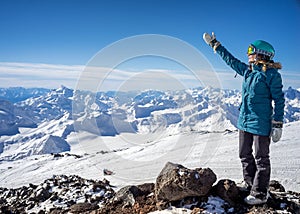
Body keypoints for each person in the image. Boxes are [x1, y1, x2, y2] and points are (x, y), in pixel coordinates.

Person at [203, 32, 285, 205]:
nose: (248, 54)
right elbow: (231, 61)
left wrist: (277, 123)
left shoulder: (271, 75)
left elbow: (279, 100)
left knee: (262, 158)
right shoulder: (248, 71)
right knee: (244, 154)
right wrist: (215, 45)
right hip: (244, 121)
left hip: (261, 123)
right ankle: (251, 186)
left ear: (262, 53)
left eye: (251, 50)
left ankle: (261, 193)